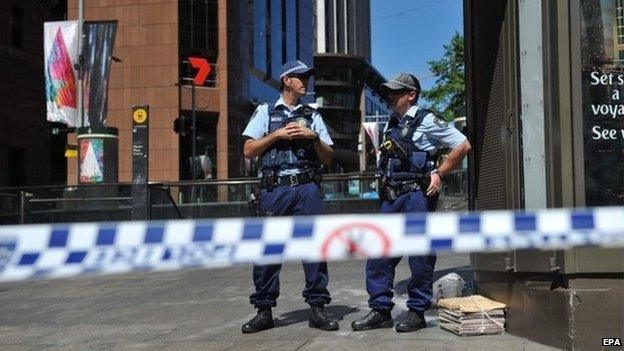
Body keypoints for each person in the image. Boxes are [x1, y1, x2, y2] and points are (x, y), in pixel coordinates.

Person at [351, 73, 471, 333]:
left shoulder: (426, 119)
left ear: (411, 95)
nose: (390, 96)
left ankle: (417, 311)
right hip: (391, 197)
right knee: (380, 252)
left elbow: (462, 144)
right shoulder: (393, 123)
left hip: (416, 195)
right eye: (389, 92)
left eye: (396, 92)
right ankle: (381, 310)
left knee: (419, 255)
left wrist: (439, 173)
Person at [240, 60, 338, 333]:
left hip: (307, 188)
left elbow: (329, 157)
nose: (305, 82)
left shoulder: (313, 114)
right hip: (275, 189)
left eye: (307, 77)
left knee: (315, 248)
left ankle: (317, 308)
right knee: (269, 250)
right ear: (286, 80)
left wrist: (313, 136)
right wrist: (277, 134)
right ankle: (264, 311)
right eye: (300, 77)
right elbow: (248, 150)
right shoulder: (265, 112)